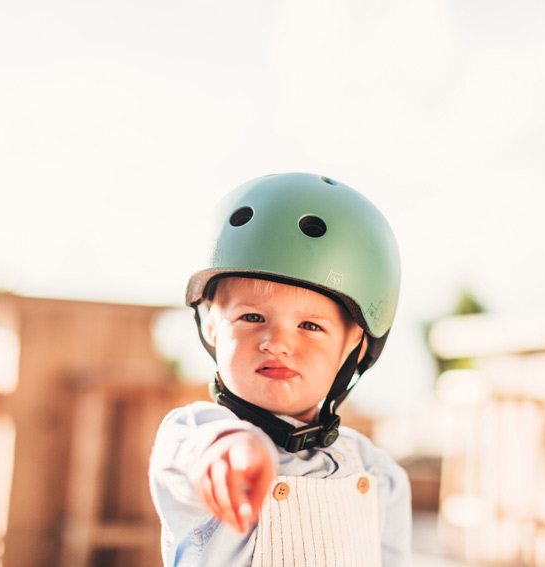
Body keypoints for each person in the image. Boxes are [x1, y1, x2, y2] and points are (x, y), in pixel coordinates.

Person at [148, 172, 411, 566]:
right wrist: (228, 451)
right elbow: (185, 461)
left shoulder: (378, 474)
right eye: (252, 316)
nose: (278, 343)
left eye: (310, 326)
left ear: (353, 343)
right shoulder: (196, 432)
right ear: (212, 326)